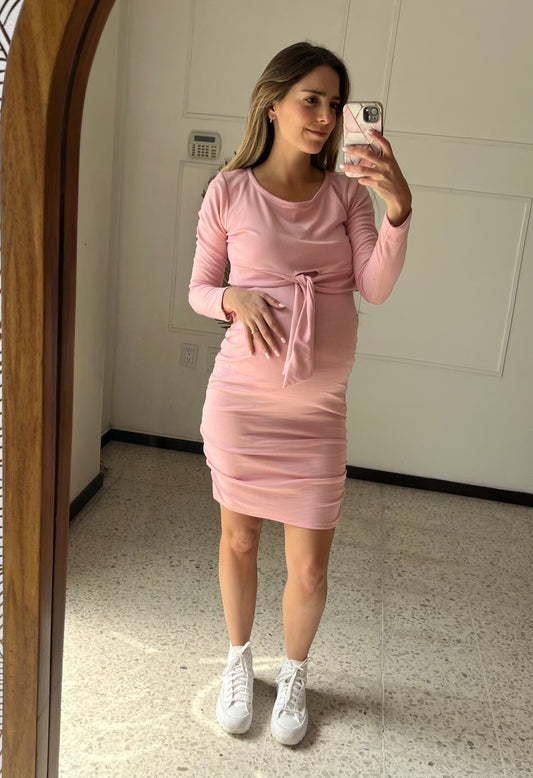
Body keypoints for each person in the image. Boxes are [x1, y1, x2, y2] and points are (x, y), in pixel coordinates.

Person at [189, 41, 412, 746]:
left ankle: (293, 673)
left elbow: (375, 286)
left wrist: (398, 207)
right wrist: (231, 298)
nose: (324, 117)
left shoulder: (348, 195)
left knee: (310, 565)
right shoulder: (229, 190)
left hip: (316, 416)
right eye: (310, 100)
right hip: (242, 406)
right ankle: (238, 660)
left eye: (334, 104)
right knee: (238, 539)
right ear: (273, 104)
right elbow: (199, 288)